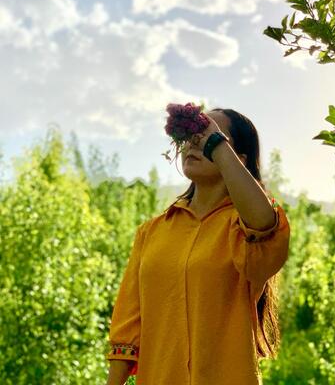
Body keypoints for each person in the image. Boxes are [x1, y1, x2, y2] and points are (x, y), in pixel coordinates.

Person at [105, 108, 291, 385]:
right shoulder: (152, 232)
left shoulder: (246, 231)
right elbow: (127, 328)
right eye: (192, 135)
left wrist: (215, 144)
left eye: (209, 135)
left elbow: (264, 223)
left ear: (237, 159)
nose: (195, 142)